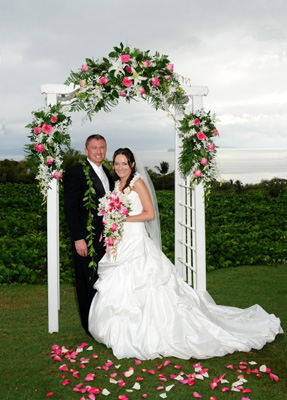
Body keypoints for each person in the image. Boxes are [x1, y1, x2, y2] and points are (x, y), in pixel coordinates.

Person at [88, 148, 283, 360]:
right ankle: (117, 332)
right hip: (121, 241)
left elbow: (150, 213)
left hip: (136, 241)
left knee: (147, 284)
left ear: (132, 164)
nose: (120, 167)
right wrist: (114, 219)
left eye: (124, 163)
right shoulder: (117, 184)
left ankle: (153, 334)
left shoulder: (138, 183)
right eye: (116, 163)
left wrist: (123, 218)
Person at [64, 134, 114, 335]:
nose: (99, 151)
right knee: (87, 282)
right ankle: (89, 326)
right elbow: (71, 209)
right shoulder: (75, 173)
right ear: (86, 150)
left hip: (106, 239)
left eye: (102, 147)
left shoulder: (108, 174)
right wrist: (78, 238)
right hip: (86, 240)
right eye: (94, 147)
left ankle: (103, 321)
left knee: (104, 281)